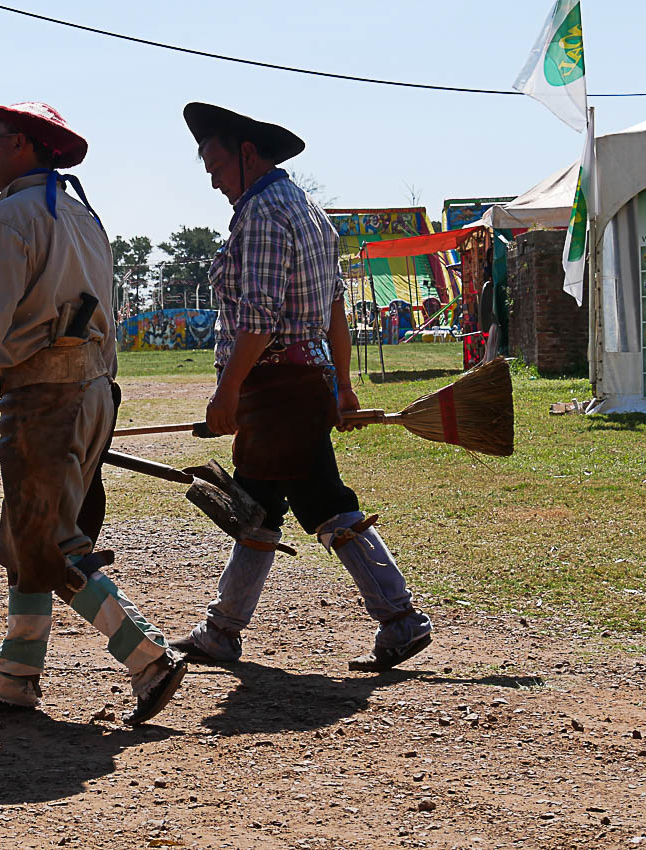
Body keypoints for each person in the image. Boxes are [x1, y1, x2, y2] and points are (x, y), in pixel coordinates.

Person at [0, 102, 187, 725]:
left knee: (47, 542)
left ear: (23, 147)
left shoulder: (15, 213)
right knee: (26, 535)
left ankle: (149, 658)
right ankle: (16, 675)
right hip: (92, 390)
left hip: (44, 398)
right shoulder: (81, 214)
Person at [169, 103, 433, 673]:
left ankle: (399, 617)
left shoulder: (261, 213)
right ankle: (222, 630)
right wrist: (341, 384)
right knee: (261, 510)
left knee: (319, 504)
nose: (211, 177)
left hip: (278, 389)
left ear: (246, 153)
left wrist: (227, 393)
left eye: (215, 163)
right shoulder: (308, 209)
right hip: (302, 383)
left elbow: (259, 319)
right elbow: (336, 307)